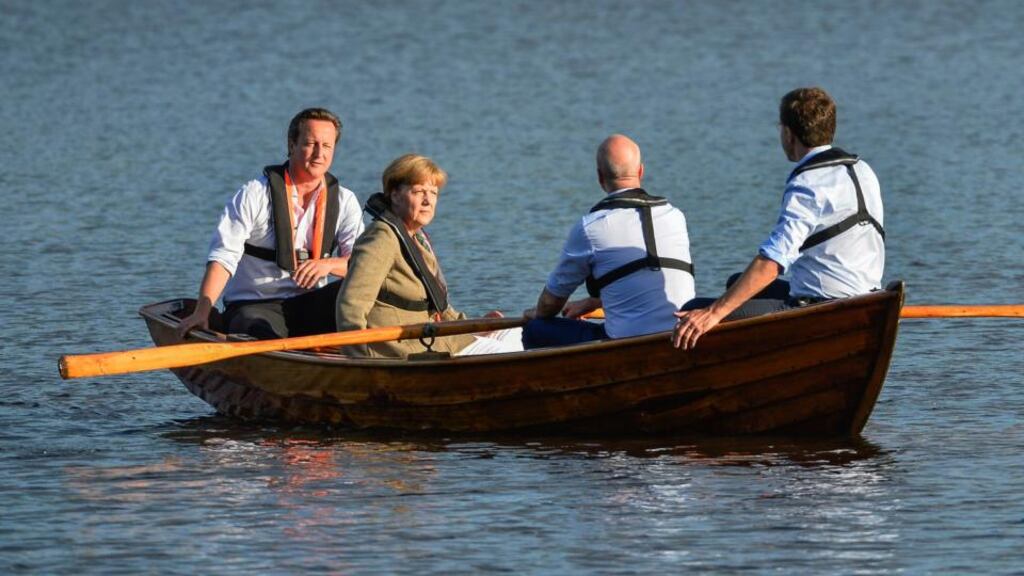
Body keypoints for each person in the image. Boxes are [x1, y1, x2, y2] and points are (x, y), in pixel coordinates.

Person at [672, 87, 884, 349]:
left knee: (693, 309)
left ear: (787, 133)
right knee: (735, 283)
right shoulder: (863, 169)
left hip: (825, 305)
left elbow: (773, 263)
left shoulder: (808, 183)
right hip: (867, 296)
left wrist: (713, 313)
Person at [177, 108, 365, 339]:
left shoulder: (345, 201)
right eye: (310, 143)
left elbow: (360, 264)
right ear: (292, 144)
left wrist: (327, 265)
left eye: (326, 146)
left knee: (364, 292)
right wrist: (202, 311)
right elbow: (223, 257)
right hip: (254, 307)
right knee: (258, 329)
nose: (319, 154)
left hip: (309, 305)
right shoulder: (254, 194)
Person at [335, 154, 522, 358]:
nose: (428, 201)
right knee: (505, 352)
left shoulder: (416, 238)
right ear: (395, 195)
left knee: (514, 333)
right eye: (419, 191)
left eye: (433, 193)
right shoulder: (381, 239)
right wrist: (359, 360)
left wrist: (472, 326)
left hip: (434, 337)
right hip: (406, 348)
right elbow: (351, 305)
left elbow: (436, 304)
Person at [522, 134, 696, 348]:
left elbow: (550, 303)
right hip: (681, 333)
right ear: (641, 170)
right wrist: (592, 303)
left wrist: (536, 313)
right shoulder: (675, 216)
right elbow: (644, 278)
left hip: (626, 345)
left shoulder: (590, 227)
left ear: (599, 176)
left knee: (536, 329)